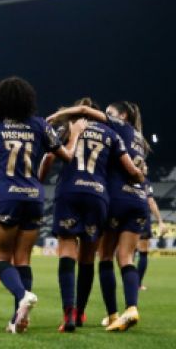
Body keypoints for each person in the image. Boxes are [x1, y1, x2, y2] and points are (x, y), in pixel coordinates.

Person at [0, 76, 77, 333]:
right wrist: (75, 134)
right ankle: (19, 319)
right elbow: (66, 156)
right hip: (34, 196)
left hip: (6, 196)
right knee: (23, 259)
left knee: (0, 259)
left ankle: (23, 296)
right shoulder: (40, 125)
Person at [42, 100, 142, 332]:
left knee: (67, 250)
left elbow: (49, 157)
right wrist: (140, 177)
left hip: (69, 191)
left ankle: (69, 313)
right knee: (87, 257)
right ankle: (80, 313)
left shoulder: (69, 127)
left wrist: (39, 181)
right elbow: (130, 168)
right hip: (98, 196)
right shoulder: (112, 133)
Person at [138, 189, 163, 290]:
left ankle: (128, 280)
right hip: (142, 218)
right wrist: (160, 221)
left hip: (126, 215)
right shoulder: (145, 183)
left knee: (127, 253)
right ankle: (137, 284)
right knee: (143, 252)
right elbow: (151, 202)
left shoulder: (122, 180)